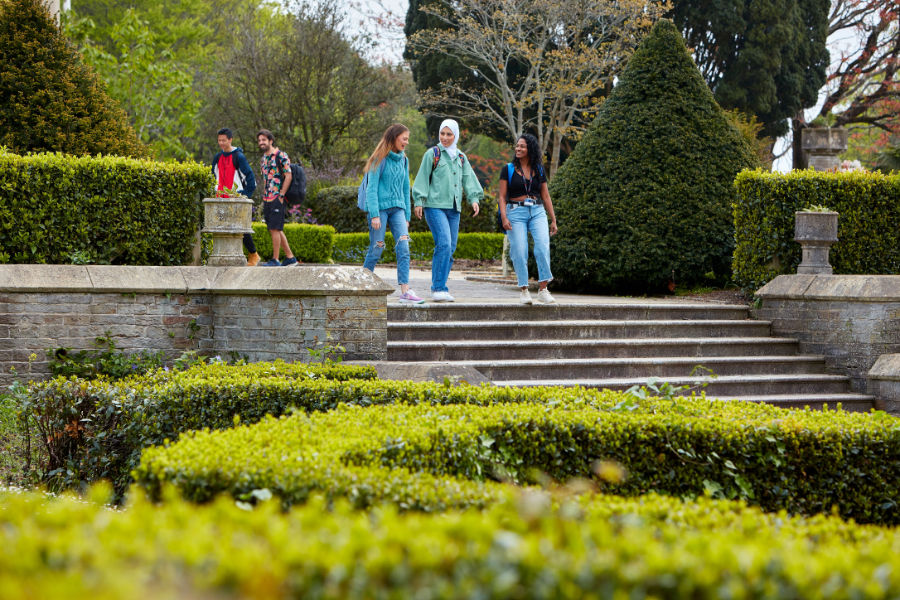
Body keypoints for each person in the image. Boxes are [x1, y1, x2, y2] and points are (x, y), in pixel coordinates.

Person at [412, 119, 482, 302]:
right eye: (442, 133)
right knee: (443, 243)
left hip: (454, 209)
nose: (445, 137)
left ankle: (440, 286)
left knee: (450, 247)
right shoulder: (432, 154)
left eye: (449, 134)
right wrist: (418, 200)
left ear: (455, 135)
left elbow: (469, 179)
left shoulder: (460, 157)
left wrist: (474, 199)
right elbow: (421, 178)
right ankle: (438, 288)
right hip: (434, 207)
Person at [362, 124, 424, 305]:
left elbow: (406, 188)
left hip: (398, 210)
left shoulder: (404, 160)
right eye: (404, 138)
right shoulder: (378, 159)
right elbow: (371, 188)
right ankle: (363, 282)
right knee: (377, 247)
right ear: (395, 137)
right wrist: (374, 214)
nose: (407, 142)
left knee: (404, 247)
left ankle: (405, 291)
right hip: (379, 210)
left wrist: (406, 215)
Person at [498, 133, 559, 304]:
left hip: (537, 211)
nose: (518, 148)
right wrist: (504, 217)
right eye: (517, 146)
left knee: (542, 247)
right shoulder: (508, 169)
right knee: (520, 250)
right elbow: (502, 197)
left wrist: (553, 219)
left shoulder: (538, 169)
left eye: (522, 146)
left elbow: (546, 196)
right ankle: (524, 290)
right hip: (515, 212)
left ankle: (543, 289)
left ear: (530, 148)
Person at [211, 128, 260, 266]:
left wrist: (243, 196)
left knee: (240, 228)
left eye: (224, 140)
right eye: (219, 140)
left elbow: (251, 180)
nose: (221, 143)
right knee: (222, 228)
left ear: (230, 139)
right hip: (221, 198)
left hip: (236, 197)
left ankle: (253, 254)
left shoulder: (239, 157)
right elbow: (213, 176)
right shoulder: (217, 157)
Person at [256, 129, 299, 267]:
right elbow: (265, 179)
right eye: (259, 140)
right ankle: (290, 257)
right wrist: (264, 195)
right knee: (274, 228)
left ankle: (275, 260)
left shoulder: (281, 155)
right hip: (267, 197)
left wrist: (281, 194)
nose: (261, 142)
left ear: (270, 141)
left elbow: (289, 175)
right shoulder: (263, 159)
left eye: (264, 140)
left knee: (275, 228)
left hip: (277, 197)